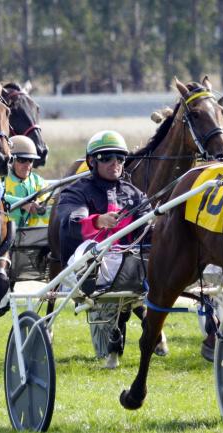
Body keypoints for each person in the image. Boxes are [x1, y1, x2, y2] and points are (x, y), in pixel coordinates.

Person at [55, 130, 166, 368]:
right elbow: (71, 222)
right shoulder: (76, 190)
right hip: (87, 269)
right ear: (92, 161)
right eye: (106, 157)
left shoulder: (134, 193)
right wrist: (97, 221)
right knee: (92, 247)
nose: (114, 162)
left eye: (120, 157)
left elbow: (149, 230)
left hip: (130, 265)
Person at [3, 135, 49, 228]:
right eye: (22, 160)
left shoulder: (38, 181)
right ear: (10, 161)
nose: (27, 165)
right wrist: (23, 203)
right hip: (4, 236)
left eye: (30, 160)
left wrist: (39, 203)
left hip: (32, 237)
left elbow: (49, 199)